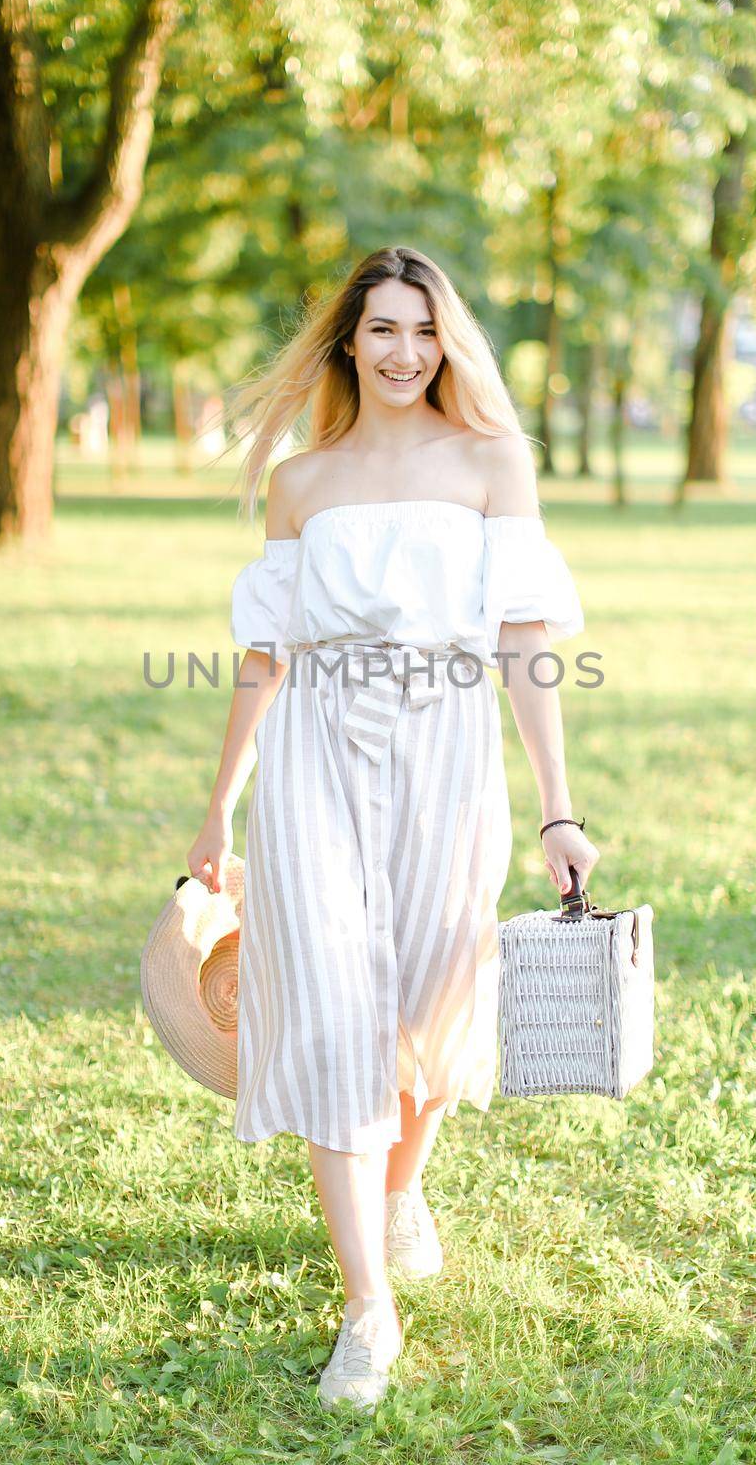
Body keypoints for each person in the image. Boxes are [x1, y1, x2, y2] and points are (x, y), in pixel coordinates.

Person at [185, 246, 600, 1412]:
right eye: (380, 329)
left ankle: (402, 1183)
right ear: (346, 344)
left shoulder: (490, 462)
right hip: (318, 754)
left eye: (423, 329)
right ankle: (367, 1309)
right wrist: (221, 801)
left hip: (444, 752)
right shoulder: (301, 480)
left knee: (429, 1004)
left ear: (446, 340)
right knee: (330, 1010)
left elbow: (524, 640)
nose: (404, 351)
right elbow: (265, 655)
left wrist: (555, 809)